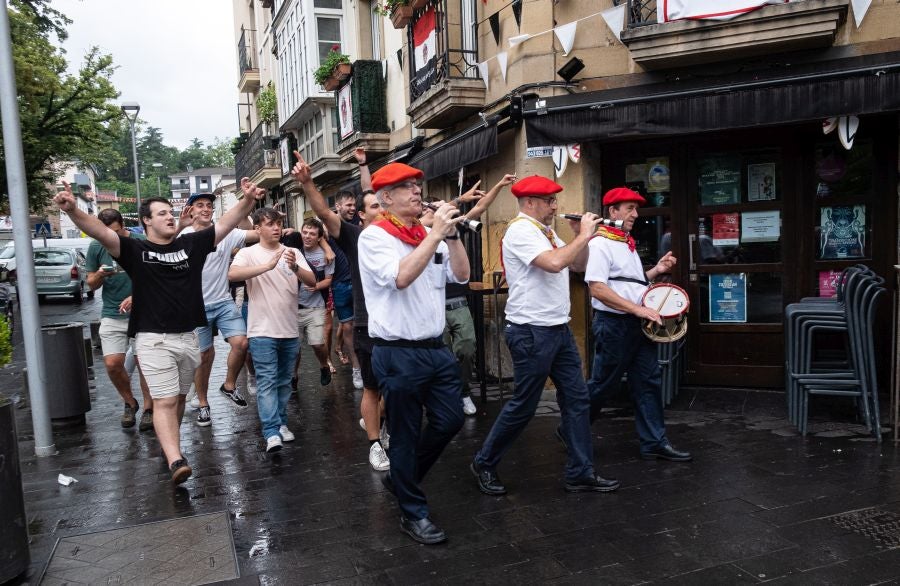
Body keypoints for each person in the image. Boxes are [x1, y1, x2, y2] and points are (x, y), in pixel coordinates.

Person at [54, 179, 266, 484]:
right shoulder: (133, 249)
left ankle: (172, 446)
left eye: (171, 212)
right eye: (161, 213)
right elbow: (99, 230)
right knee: (165, 401)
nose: (169, 216)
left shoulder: (190, 245)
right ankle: (176, 460)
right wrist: (73, 209)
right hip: (153, 340)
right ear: (146, 221)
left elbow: (227, 223)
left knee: (179, 400)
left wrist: (247, 200)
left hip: (188, 337)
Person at [471, 175, 620, 497]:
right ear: (529, 203)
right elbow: (553, 263)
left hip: (557, 328)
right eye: (549, 200)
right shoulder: (521, 230)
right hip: (531, 331)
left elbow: (576, 265)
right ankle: (484, 461)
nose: (555, 206)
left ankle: (581, 471)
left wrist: (582, 237)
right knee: (524, 404)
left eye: (555, 200)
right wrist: (584, 237)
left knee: (577, 399)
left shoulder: (546, 231)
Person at [358, 162, 469, 545]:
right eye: (406, 188)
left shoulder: (427, 234)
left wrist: (450, 237)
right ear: (386, 198)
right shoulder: (375, 238)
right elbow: (401, 278)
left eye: (417, 185)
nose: (417, 192)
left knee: (451, 420)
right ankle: (413, 512)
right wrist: (433, 234)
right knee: (404, 435)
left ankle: (402, 480)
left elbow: (463, 276)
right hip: (397, 351)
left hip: (435, 349)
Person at [290, 148, 390, 472]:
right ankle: (375, 443)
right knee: (373, 388)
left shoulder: (401, 236)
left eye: (383, 203)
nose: (382, 207)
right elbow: (323, 212)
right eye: (374, 205)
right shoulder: (355, 235)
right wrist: (307, 182)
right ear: (361, 215)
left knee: (396, 389)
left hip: (398, 328)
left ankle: (380, 426)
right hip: (367, 325)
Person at [585, 187, 692, 462]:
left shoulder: (625, 242)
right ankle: (571, 428)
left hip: (635, 322)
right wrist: (638, 309)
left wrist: (656, 270)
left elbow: (630, 283)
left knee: (648, 381)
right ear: (613, 211)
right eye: (629, 208)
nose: (635, 213)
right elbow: (597, 289)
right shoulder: (600, 243)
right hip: (614, 325)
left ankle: (654, 442)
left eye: (635, 208)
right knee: (602, 385)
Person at [419, 174, 517, 416]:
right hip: (434, 306)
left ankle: (462, 391)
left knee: (466, 349)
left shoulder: (454, 226)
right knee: (440, 353)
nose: (440, 213)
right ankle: (444, 394)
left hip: (458, 302)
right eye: (434, 209)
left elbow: (481, 206)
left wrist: (499, 184)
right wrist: (455, 201)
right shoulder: (418, 232)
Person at [229, 208, 316, 453]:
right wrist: (266, 267)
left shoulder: (293, 252)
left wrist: (296, 268)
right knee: (267, 381)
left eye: (279, 223)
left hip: (289, 329)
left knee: (284, 382)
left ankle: (281, 423)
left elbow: (312, 282)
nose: (276, 228)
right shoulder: (248, 253)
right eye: (270, 224)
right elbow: (232, 274)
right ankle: (271, 432)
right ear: (257, 228)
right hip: (261, 331)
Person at [180, 192, 258, 426]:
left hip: (223, 301)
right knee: (204, 356)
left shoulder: (226, 233)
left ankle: (229, 385)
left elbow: (253, 234)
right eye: (200, 205)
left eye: (209, 206)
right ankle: (203, 404)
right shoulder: (183, 236)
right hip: (196, 306)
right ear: (190, 211)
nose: (205, 209)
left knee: (242, 343)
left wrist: (250, 200)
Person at [84, 209, 153, 432]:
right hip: (113, 313)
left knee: (145, 364)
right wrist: (101, 275)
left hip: (144, 313)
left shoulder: (141, 242)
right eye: (105, 233)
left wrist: (138, 295)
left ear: (124, 226)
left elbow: (156, 277)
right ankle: (129, 402)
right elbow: (90, 284)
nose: (110, 237)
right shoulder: (97, 246)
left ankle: (149, 410)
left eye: (114, 232)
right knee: (112, 364)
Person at [288, 217, 334, 387]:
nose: (307, 236)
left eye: (312, 234)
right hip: (293, 307)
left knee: (317, 343)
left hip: (315, 306)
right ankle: (293, 376)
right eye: (305, 232)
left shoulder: (326, 255)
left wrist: (316, 286)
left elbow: (329, 279)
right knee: (294, 347)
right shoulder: (294, 249)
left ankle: (324, 365)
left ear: (319, 237)